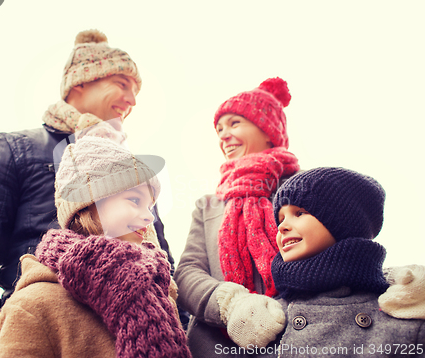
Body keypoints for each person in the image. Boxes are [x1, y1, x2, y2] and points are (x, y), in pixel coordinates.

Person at [0, 29, 175, 358]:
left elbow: (161, 256)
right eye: (122, 84)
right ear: (80, 82)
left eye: (136, 92)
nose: (132, 101)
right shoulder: (15, 149)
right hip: (45, 336)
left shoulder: (131, 172)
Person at [0, 135, 191, 358]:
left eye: (150, 207)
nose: (148, 217)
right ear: (89, 204)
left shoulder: (157, 291)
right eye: (135, 200)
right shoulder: (32, 307)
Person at [174, 77, 300, 357]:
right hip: (214, 345)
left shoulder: (305, 188)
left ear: (269, 131)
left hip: (295, 338)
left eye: (234, 123)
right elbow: (187, 273)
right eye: (219, 129)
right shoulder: (208, 205)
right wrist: (232, 306)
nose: (223, 135)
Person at [263, 167, 425, 357]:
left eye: (299, 213)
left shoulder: (404, 316)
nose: (282, 226)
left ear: (344, 223)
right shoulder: (266, 318)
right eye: (280, 219)